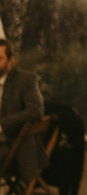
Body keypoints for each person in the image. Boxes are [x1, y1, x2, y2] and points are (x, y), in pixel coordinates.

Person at [0, 39, 47, 184]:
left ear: (11, 61)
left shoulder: (25, 79)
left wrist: (2, 125)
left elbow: (35, 111)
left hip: (15, 146)